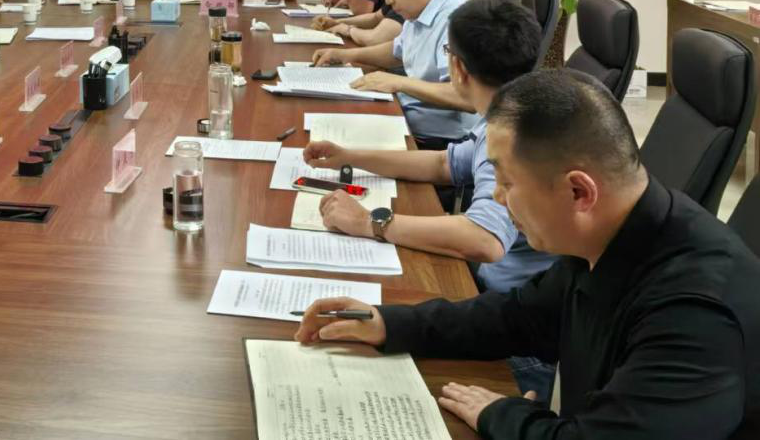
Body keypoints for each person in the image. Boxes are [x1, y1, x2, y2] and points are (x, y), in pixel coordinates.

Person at [295, 68, 760, 439]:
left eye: (507, 182)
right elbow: (517, 317)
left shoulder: (696, 317)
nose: (497, 197)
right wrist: (389, 323)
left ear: (579, 192)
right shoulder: (612, 229)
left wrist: (506, 415)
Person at [304, 0, 558, 397]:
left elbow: (486, 240)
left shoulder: (513, 136)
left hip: (512, 338)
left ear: (457, 67)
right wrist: (349, 156)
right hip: (494, 304)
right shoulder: (512, 109)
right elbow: (443, 164)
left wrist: (369, 221)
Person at [312, 0, 476, 147]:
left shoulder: (457, 19)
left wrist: (399, 83)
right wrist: (346, 55)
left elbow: (467, 98)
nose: (388, 0)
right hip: (406, 115)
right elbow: (396, 51)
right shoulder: (419, 10)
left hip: (443, 143)